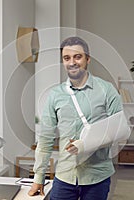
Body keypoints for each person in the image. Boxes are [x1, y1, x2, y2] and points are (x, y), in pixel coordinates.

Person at [28, 36, 127, 200]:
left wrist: (85, 144)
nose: (72, 62)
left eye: (77, 57)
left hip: (97, 177)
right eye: (67, 58)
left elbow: (119, 130)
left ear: (87, 59)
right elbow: (45, 140)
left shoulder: (107, 90)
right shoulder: (55, 95)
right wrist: (38, 178)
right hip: (65, 176)